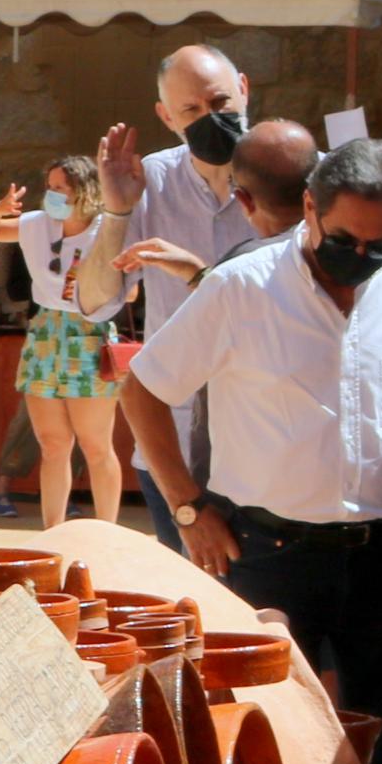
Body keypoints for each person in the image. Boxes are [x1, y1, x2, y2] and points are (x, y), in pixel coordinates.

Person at [119, 135, 382, 764]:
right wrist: (186, 506)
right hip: (265, 554)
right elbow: (143, 389)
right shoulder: (240, 287)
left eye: (377, 245)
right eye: (343, 238)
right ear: (308, 206)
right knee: (263, 761)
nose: (357, 258)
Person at [80, 43, 257, 548]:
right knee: (190, 613)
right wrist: (116, 212)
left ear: (244, 89)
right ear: (166, 117)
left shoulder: (294, 174)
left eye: (220, 103)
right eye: (191, 111)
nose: (210, 119)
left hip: (270, 447)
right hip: (174, 449)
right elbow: (95, 301)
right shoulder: (149, 181)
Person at [13, 153, 123, 529]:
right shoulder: (42, 226)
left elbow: (131, 290)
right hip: (46, 332)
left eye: (61, 187)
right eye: (51, 187)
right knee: (53, 444)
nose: (53, 194)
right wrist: (0, 210)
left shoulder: (109, 228)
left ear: (84, 190)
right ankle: (53, 531)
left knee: (96, 446)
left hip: (87, 332)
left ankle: (107, 530)